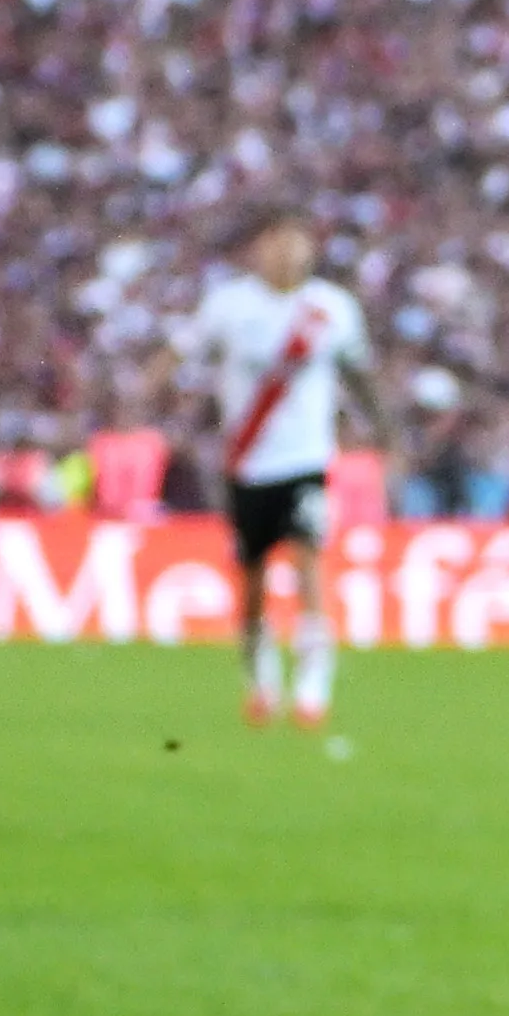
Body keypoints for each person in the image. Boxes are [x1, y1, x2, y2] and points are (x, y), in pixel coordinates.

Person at [172, 209, 390, 729]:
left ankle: (313, 684)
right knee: (252, 577)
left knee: (309, 557)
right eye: (278, 241)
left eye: (298, 241)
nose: (289, 252)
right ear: (259, 248)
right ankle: (262, 679)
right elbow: (182, 353)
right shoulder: (229, 306)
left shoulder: (331, 307)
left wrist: (385, 427)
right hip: (249, 464)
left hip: (307, 460)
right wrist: (150, 389)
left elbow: (359, 373)